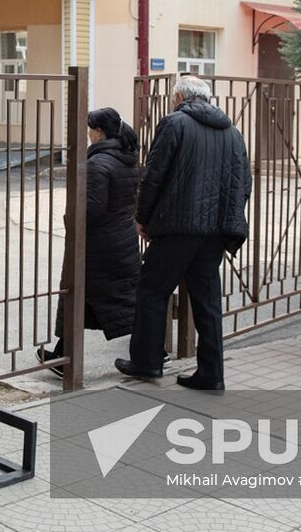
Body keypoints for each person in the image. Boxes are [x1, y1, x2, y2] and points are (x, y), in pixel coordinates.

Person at [115, 74, 251, 391]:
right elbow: (244, 182)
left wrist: (142, 217)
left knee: (151, 291)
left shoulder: (175, 123)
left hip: (178, 227)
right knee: (208, 302)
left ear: (179, 97)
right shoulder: (233, 132)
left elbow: (154, 174)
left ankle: (147, 362)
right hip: (216, 231)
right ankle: (212, 373)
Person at [36, 107, 140, 376]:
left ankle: (151, 353)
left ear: (99, 132)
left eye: (89, 129)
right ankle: (62, 354)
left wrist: (70, 218)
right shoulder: (127, 157)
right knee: (112, 297)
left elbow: (92, 210)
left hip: (99, 245)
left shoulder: (98, 164)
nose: (87, 134)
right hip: (123, 240)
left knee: (81, 291)